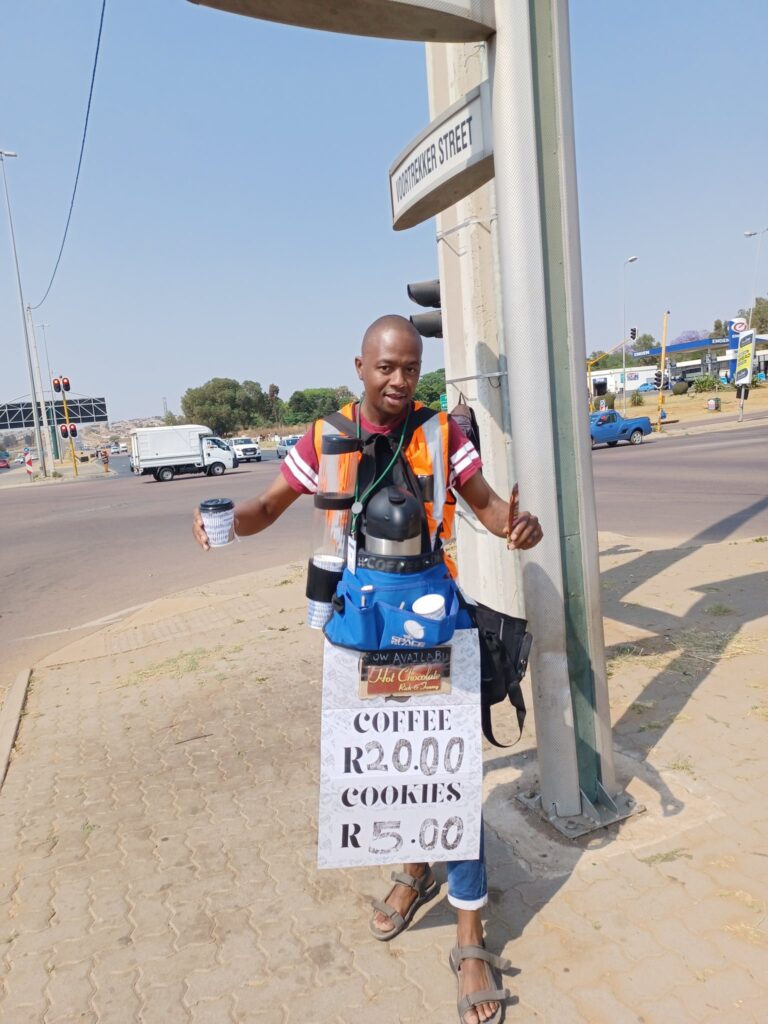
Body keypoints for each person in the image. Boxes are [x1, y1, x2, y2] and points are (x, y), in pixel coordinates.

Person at [193, 315, 543, 1024]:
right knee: (388, 769)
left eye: (411, 369)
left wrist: (516, 524)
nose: (399, 381)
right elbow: (267, 506)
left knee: (445, 769)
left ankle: (472, 939)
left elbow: (486, 507)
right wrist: (226, 521)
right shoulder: (325, 439)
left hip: (434, 622)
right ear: (360, 366)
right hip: (359, 628)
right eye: (386, 368)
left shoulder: (443, 433)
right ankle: (416, 869)